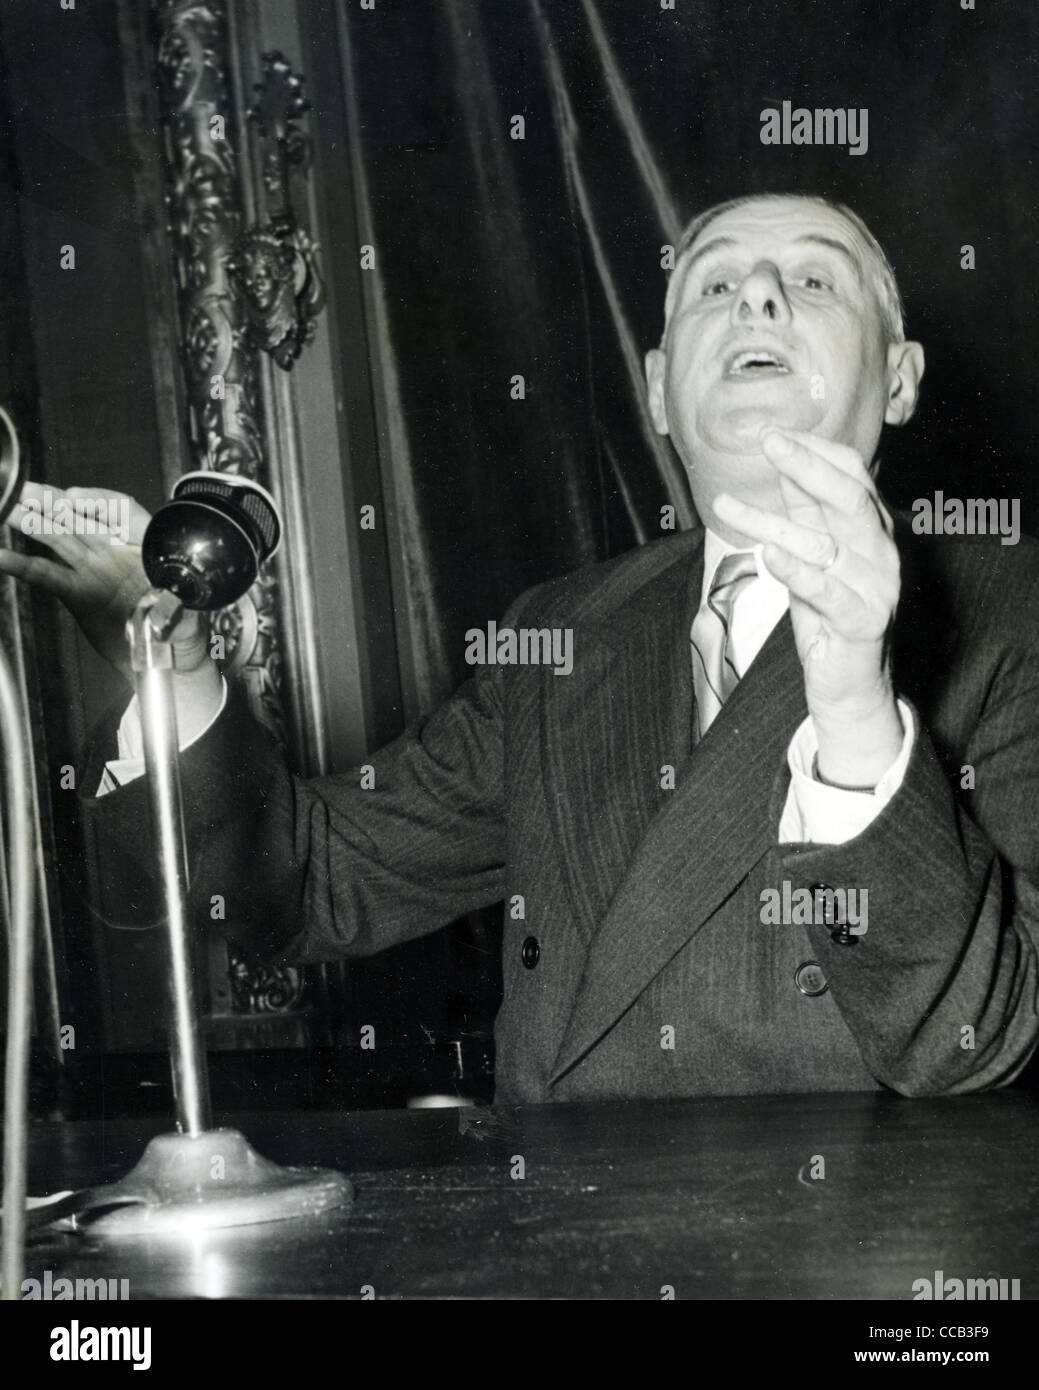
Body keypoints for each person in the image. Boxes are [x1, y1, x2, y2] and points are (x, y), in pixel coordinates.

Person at [3, 192, 1038, 1103]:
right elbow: (310, 883)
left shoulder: (1010, 612)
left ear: (899, 379)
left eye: (812, 276)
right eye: (713, 283)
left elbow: (971, 1044)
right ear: (655, 385)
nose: (758, 294)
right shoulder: (566, 632)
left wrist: (855, 703)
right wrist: (170, 650)